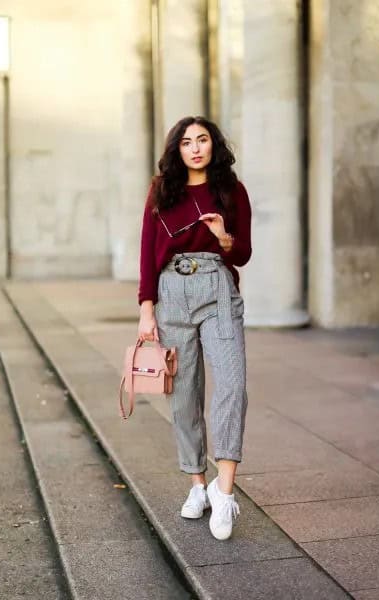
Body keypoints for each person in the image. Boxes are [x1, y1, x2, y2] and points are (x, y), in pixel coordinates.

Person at [137, 115, 252, 540]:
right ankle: (197, 486)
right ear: (177, 150)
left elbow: (243, 254)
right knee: (183, 394)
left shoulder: (231, 190)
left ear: (213, 145)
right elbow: (148, 251)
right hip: (171, 292)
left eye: (203, 140)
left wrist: (224, 237)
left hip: (217, 289)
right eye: (187, 142)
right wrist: (146, 309)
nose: (196, 148)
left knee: (232, 386)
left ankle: (224, 493)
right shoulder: (161, 191)